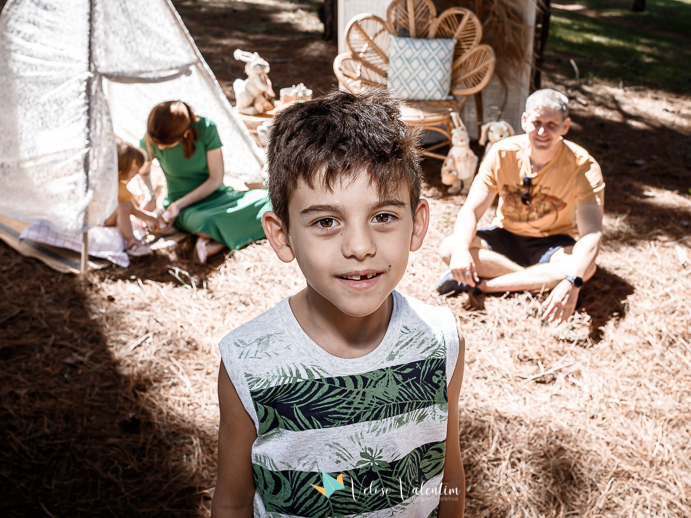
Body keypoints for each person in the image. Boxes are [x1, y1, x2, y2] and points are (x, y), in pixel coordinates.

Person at [212, 91, 465, 518]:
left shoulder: (441, 342)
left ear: (417, 224)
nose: (361, 247)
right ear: (282, 234)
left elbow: (448, 478)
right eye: (326, 222)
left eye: (383, 216)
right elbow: (233, 501)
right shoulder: (248, 362)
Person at [437, 89, 604, 324]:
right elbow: (471, 210)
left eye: (552, 124)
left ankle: (485, 285)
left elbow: (592, 233)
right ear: (524, 121)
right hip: (506, 235)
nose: (543, 132)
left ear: (565, 126)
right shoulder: (502, 153)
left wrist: (573, 280)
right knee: (450, 247)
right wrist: (463, 249)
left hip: (552, 242)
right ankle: (539, 281)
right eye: (536, 122)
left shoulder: (583, 166)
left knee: (584, 267)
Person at [139, 101, 271, 263]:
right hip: (185, 208)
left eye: (165, 144)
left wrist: (179, 205)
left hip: (217, 196)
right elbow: (143, 173)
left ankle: (216, 242)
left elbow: (215, 179)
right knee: (205, 222)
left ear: (186, 133)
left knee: (271, 200)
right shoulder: (152, 138)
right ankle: (215, 242)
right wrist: (150, 196)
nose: (160, 147)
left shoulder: (206, 128)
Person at [105, 140, 158, 257]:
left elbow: (132, 207)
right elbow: (131, 209)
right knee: (123, 207)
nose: (136, 174)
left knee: (124, 206)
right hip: (102, 219)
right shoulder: (112, 187)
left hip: (105, 217)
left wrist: (150, 217)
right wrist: (151, 217)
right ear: (121, 172)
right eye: (134, 172)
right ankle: (132, 242)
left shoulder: (118, 185)